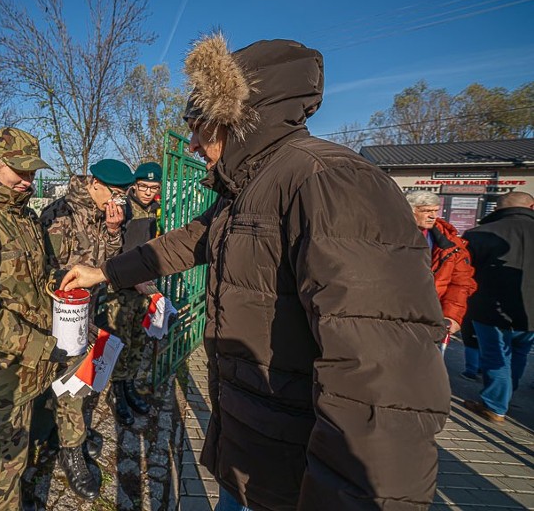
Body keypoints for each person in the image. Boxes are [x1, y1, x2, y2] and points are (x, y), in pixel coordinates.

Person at [61, 35, 450, 510]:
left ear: (234, 118)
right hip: (257, 448)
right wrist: (103, 273)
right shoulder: (250, 189)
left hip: (302, 469)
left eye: (198, 126)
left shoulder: (328, 182)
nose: (192, 143)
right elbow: (185, 242)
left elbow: (382, 377)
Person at [0, 127, 98, 509]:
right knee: (5, 471)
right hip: (3, 374)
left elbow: (37, 280)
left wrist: (68, 308)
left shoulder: (24, 217)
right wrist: (41, 344)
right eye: (19, 171)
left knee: (21, 458)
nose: (28, 181)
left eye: (32, 173)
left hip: (38, 361)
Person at [40, 160, 132, 456]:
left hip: (87, 311)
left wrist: (113, 230)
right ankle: (71, 449)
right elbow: (49, 272)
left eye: (122, 195)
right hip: (62, 315)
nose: (118, 201)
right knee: (69, 381)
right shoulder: (60, 214)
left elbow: (109, 262)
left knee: (78, 380)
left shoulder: (101, 213)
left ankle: (69, 434)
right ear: (94, 184)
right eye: (115, 193)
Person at [461, 190, 534, 424]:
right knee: (519, 353)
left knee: (495, 354)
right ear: (531, 207)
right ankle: (505, 395)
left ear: (496, 209)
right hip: (530, 311)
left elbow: (465, 272)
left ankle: (495, 406)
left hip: (489, 309)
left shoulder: (479, 233)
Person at [102, 161, 163, 424]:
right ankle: (118, 391)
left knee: (138, 340)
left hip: (143, 286)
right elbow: (113, 250)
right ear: (134, 185)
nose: (148, 192)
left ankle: (130, 386)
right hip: (121, 288)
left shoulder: (156, 210)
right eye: (143, 186)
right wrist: (132, 277)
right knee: (120, 342)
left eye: (154, 187)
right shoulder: (122, 207)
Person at [405, 190, 477, 338]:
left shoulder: (451, 243)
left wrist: (452, 316)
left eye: (435, 211)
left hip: (431, 317)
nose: (433, 216)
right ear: (408, 211)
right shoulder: (386, 236)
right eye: (426, 211)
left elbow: (461, 282)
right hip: (393, 317)